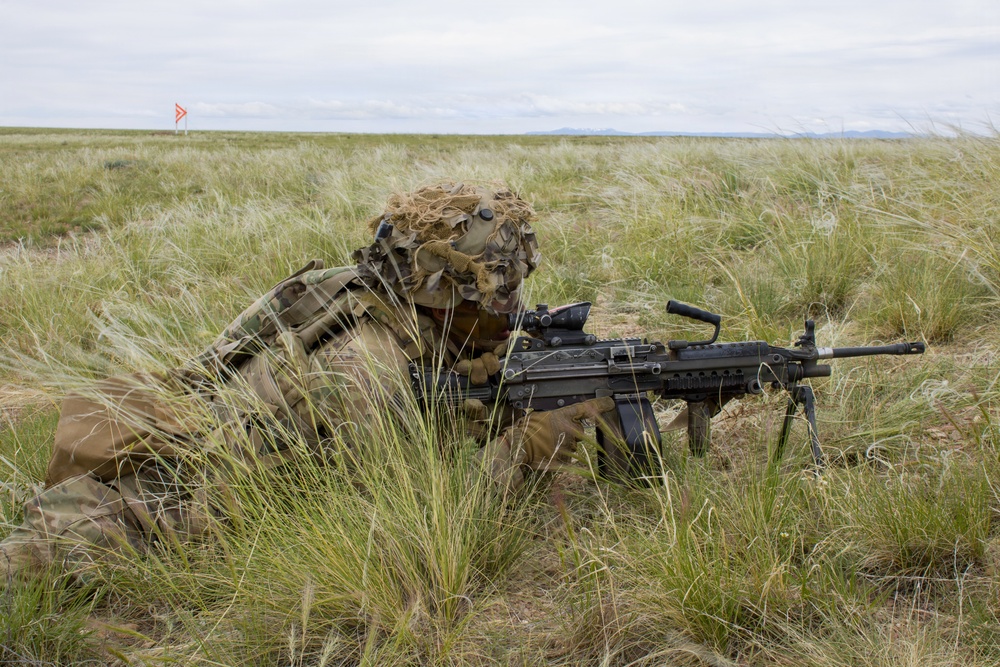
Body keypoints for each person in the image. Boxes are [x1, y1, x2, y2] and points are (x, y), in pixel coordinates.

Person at [0, 182, 616, 585]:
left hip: (235, 425)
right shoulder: (366, 371)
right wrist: (542, 432)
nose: (513, 308)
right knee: (58, 555)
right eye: (500, 292)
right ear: (446, 295)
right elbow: (424, 517)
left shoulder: (362, 286)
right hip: (185, 502)